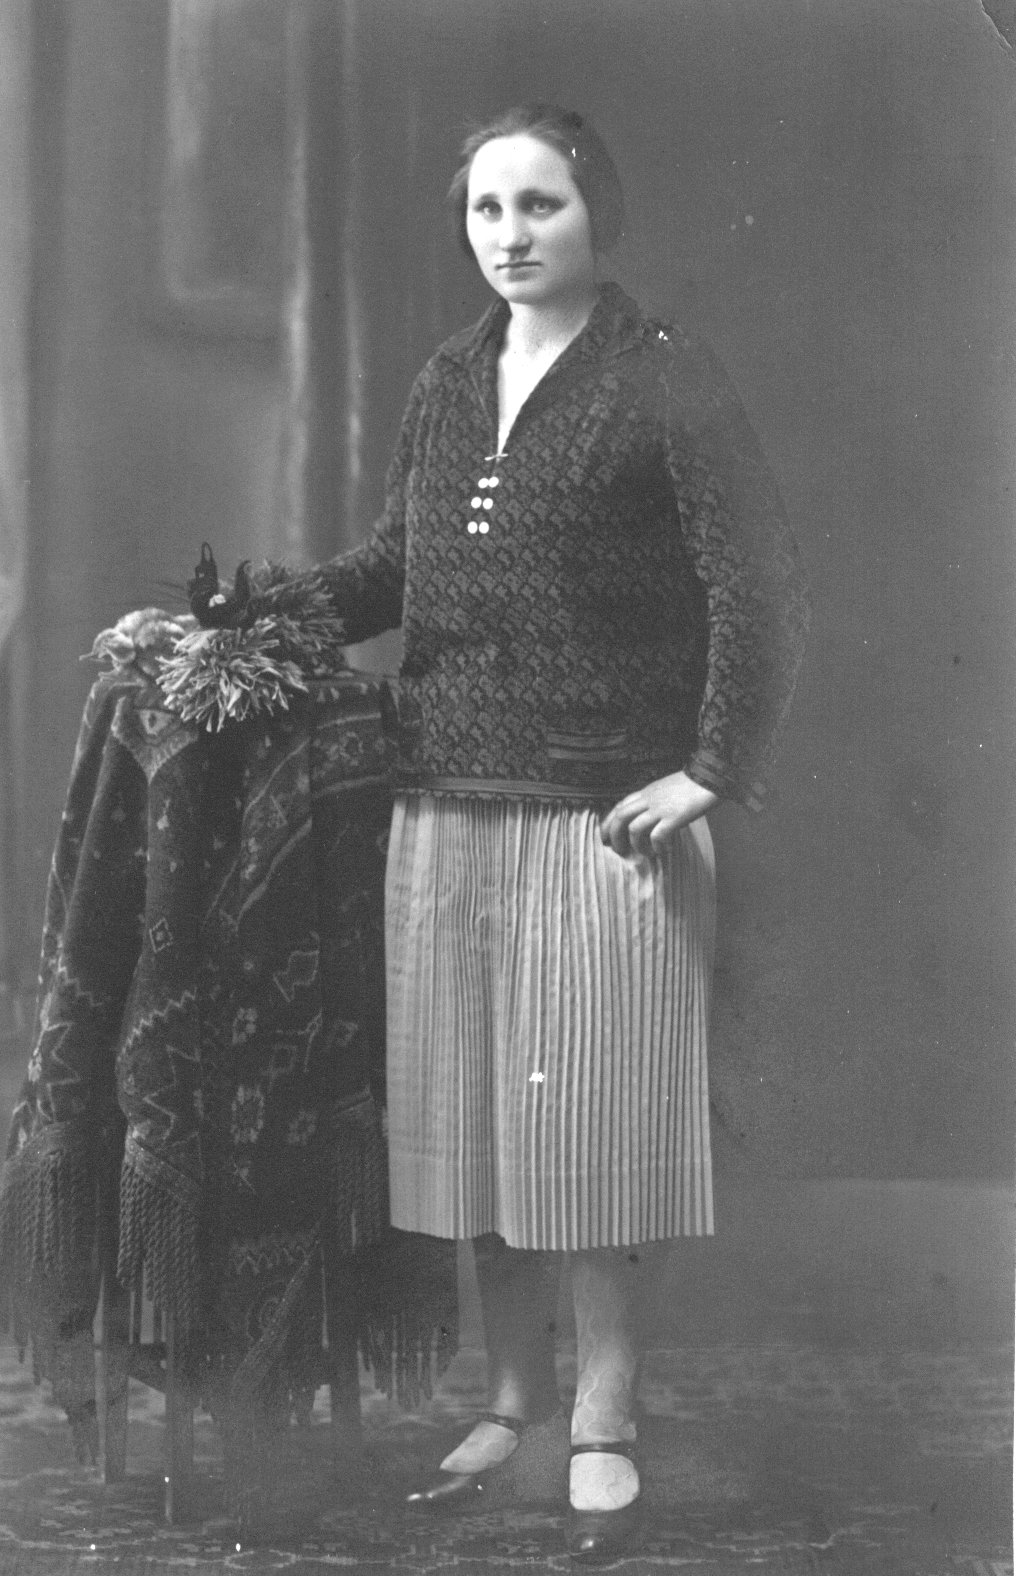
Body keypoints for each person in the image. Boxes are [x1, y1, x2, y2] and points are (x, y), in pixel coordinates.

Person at [120, 103, 807, 1559]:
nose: (511, 235)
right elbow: (396, 570)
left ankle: (604, 1417)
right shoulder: (448, 379)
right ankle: (512, 1404)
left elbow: (757, 584)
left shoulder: (663, 378)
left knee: (593, 1136)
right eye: (488, 209)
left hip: (601, 823)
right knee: (488, 1137)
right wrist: (242, 623)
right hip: (442, 805)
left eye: (541, 205)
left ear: (596, 213)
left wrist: (709, 772)